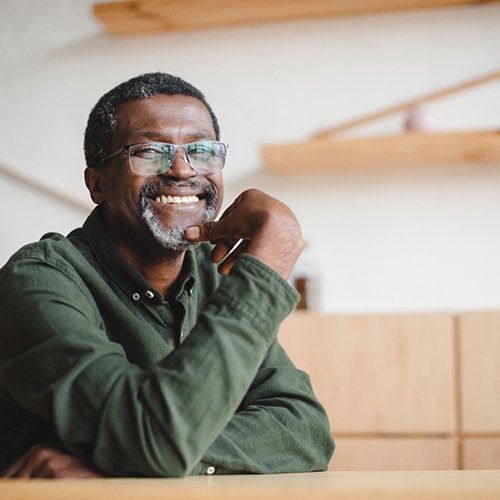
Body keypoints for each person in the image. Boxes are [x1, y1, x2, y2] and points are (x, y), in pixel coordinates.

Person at [0, 73, 334, 478]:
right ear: (97, 183)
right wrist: (267, 264)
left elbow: (304, 431)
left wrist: (130, 460)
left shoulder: (216, 274)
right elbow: (153, 439)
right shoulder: (38, 279)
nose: (181, 170)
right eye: (150, 151)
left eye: (202, 150)